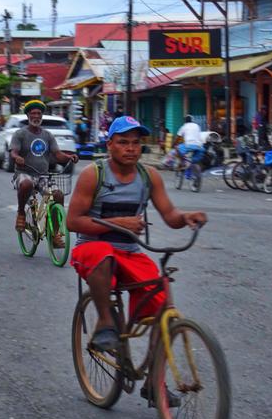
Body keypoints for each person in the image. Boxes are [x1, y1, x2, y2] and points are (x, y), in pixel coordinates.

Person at [66, 116, 207, 403]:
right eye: (123, 143)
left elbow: (170, 215)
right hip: (92, 249)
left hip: (130, 253)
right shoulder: (94, 174)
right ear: (110, 145)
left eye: (135, 143)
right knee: (103, 254)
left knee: (163, 307)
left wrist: (186, 217)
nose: (130, 149)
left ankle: (155, 382)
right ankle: (106, 322)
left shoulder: (148, 176)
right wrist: (117, 223)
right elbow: (72, 222)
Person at [12, 100, 78, 247]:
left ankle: (54, 234)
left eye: (39, 113)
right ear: (28, 115)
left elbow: (58, 154)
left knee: (58, 195)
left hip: (43, 175)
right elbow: (14, 152)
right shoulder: (20, 134)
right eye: (33, 113)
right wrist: (17, 158)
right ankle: (21, 212)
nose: (36, 116)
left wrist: (69, 157)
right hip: (24, 173)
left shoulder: (47, 135)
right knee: (27, 183)